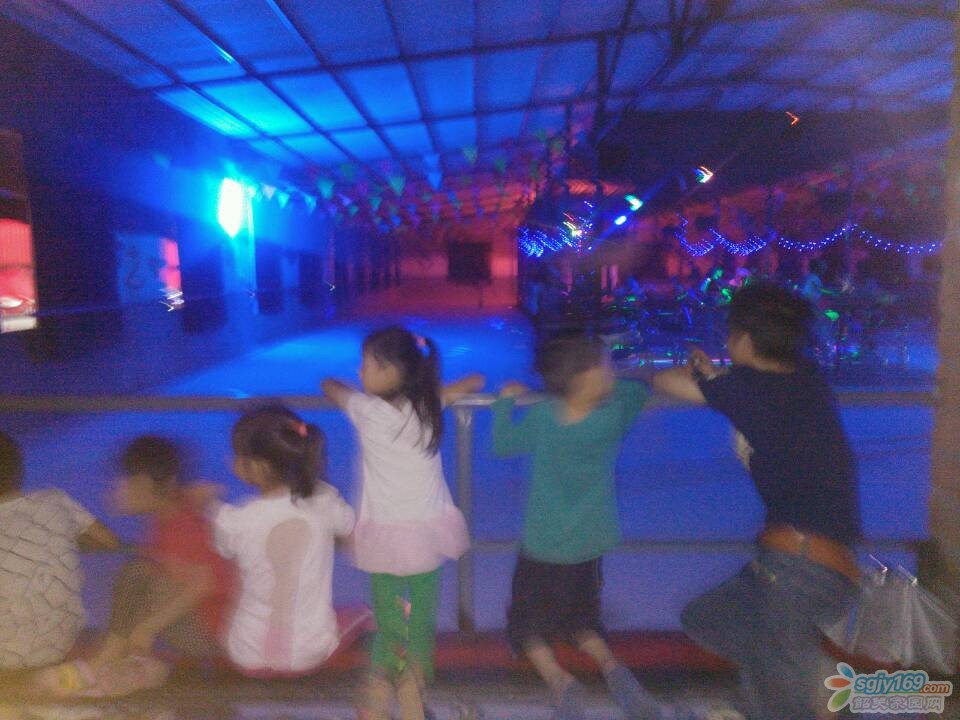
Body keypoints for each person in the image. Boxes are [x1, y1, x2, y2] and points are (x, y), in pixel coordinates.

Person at [652, 282, 861, 720]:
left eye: (730, 334)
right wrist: (715, 376)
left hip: (795, 568)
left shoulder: (747, 388)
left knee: (782, 702)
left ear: (745, 340)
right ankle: (804, 678)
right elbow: (749, 394)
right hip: (822, 563)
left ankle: (806, 683)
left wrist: (701, 374)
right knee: (709, 617)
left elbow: (664, 381)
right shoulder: (806, 380)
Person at [490, 332, 660, 720]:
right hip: (589, 541)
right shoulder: (612, 417)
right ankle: (613, 670)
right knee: (582, 617)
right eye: (606, 366)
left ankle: (560, 681)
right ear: (586, 379)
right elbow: (637, 390)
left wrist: (504, 402)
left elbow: (501, 444)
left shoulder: (544, 417)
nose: (612, 372)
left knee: (525, 624)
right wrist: (620, 386)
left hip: (542, 544)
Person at [322, 327, 483, 720]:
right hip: (427, 536)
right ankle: (413, 684)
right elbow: (474, 381)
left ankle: (380, 689)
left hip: (384, 540)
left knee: (389, 618)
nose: (359, 372)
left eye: (366, 365)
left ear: (392, 371)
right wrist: (450, 379)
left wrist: (341, 384)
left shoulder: (367, 411)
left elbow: (329, 386)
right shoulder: (428, 407)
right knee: (421, 617)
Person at [35, 436, 232, 697]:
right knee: (141, 575)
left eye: (122, 481)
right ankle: (117, 664)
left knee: (137, 574)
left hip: (211, 636)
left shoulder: (181, 524)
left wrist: (147, 628)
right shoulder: (171, 515)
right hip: (205, 630)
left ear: (145, 484)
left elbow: (203, 583)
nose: (114, 490)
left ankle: (103, 664)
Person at [207, 405, 360, 677]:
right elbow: (352, 534)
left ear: (259, 467)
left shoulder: (235, 519)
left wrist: (209, 505)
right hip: (308, 651)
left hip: (246, 651)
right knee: (361, 613)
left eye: (237, 455)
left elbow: (225, 547)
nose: (231, 461)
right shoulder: (324, 500)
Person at [0, 431, 118, 672]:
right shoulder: (54, 499)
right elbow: (111, 542)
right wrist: (58, 539)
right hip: (61, 645)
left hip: (7, 662)